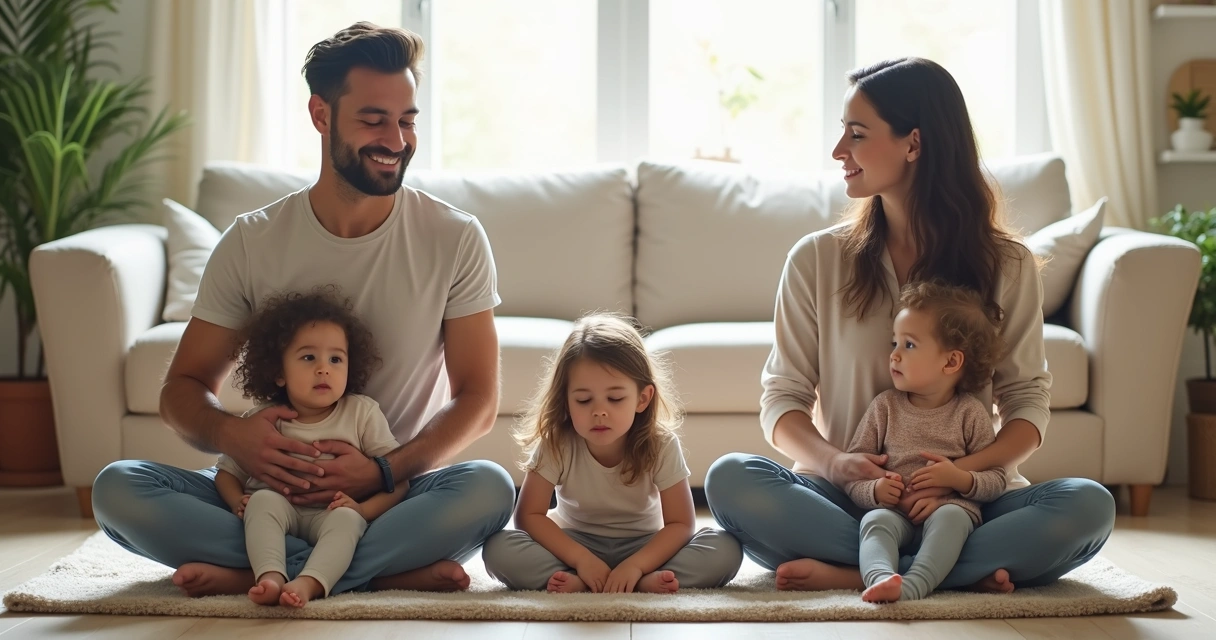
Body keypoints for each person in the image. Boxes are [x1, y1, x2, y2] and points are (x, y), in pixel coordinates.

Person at [90, 22, 515, 598]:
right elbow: (181, 390)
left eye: (407, 120)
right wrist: (233, 436)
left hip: (389, 498)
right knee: (118, 489)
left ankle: (258, 570)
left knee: (489, 488)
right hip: (269, 494)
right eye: (373, 119)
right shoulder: (251, 241)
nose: (397, 139)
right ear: (321, 115)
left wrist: (383, 471)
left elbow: (479, 401)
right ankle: (369, 573)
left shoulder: (455, 237)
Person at [704, 57, 1115, 594]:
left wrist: (963, 475)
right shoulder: (815, 260)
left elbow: (1026, 402)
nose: (838, 151)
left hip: (969, 506)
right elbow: (782, 401)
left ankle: (863, 570)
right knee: (731, 478)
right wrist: (840, 464)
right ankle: (942, 571)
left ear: (913, 144)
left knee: (1089, 506)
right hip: (849, 503)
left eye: (856, 134)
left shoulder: (1007, 265)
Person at [482, 314, 743, 593]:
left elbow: (680, 524)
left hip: (645, 546)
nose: (599, 411)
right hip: (573, 544)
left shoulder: (661, 444)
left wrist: (637, 565)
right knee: (498, 548)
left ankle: (628, 581)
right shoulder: (557, 443)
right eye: (583, 400)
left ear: (642, 399)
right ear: (566, 402)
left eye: (615, 398)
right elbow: (528, 516)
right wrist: (582, 560)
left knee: (725, 548)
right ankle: (586, 577)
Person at [212, 287, 404, 607]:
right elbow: (225, 473)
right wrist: (237, 502)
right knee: (262, 503)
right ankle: (270, 576)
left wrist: (361, 510)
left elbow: (398, 479)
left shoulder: (362, 413)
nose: (323, 368)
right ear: (278, 372)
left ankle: (308, 583)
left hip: (330, 515)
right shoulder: (260, 419)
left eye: (335, 359)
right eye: (308, 357)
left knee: (347, 521)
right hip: (278, 510)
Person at [846, 281, 1008, 603]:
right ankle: (881, 579)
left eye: (908, 345)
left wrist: (958, 479)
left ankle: (914, 586)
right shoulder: (884, 407)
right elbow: (854, 473)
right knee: (874, 522)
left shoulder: (970, 414)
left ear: (950, 362)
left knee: (951, 518)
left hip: (948, 512)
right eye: (895, 342)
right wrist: (875, 492)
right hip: (894, 515)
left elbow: (997, 481)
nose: (893, 355)